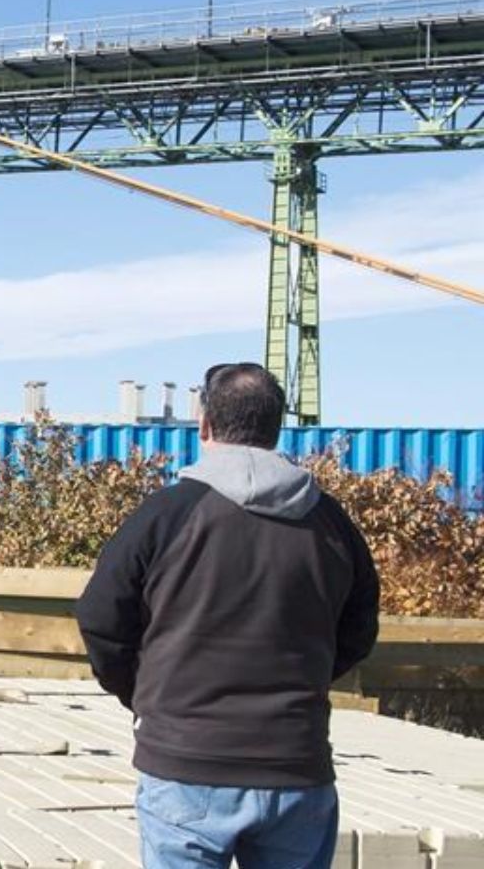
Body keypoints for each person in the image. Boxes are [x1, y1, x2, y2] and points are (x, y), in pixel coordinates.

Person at [78, 362, 380, 869]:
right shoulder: (331, 523)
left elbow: (102, 619)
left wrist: (148, 697)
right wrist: (302, 683)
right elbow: (359, 629)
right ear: (276, 426)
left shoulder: (167, 514)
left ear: (204, 424)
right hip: (296, 766)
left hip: (185, 764)